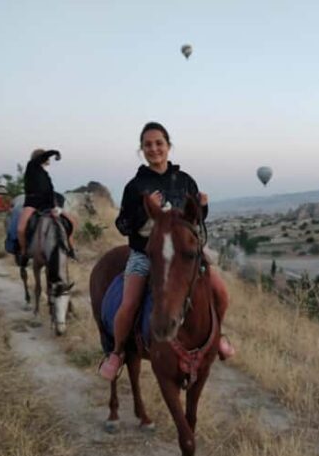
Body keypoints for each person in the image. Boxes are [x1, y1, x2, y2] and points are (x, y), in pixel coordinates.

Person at [99, 122, 234, 380]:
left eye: (159, 143)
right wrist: (144, 209)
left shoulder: (185, 181)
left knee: (220, 292)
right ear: (142, 150)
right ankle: (117, 352)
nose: (154, 149)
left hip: (183, 257)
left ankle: (218, 336)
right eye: (148, 144)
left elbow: (195, 222)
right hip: (146, 254)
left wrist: (203, 207)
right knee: (128, 304)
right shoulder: (135, 186)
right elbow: (122, 225)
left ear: (168, 146)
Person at [17, 148, 77, 259]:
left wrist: (55, 207)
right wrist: (55, 153)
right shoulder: (32, 166)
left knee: (72, 221)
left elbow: (49, 191)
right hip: (32, 203)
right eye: (46, 157)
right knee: (20, 228)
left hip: (47, 204)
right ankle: (23, 252)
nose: (48, 159)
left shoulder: (45, 174)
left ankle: (71, 247)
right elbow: (42, 157)